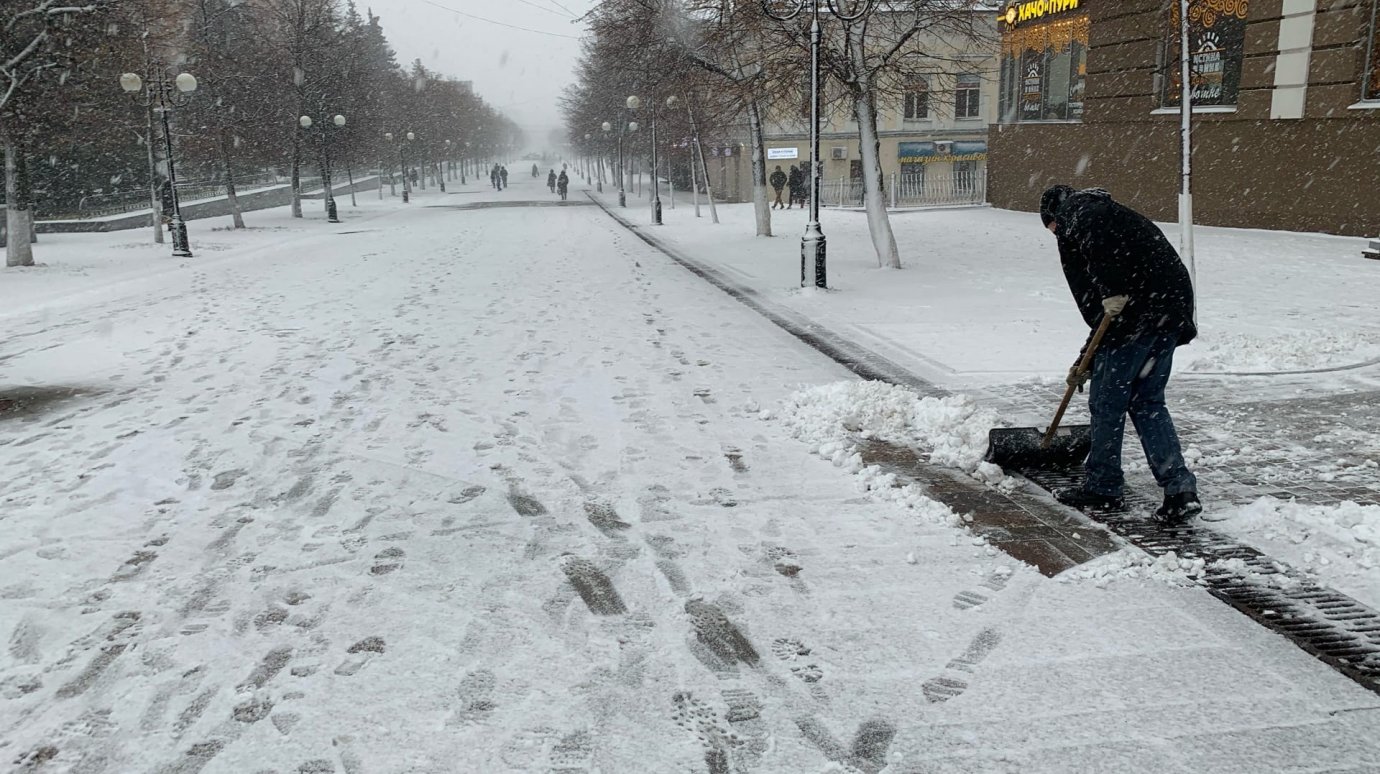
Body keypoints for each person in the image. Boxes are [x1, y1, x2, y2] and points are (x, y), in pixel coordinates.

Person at [1039, 185, 1201, 524]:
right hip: (1166, 313)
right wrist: (1085, 359)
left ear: (1054, 216)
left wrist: (1111, 291)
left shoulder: (1081, 214)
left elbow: (1108, 288)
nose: (1056, 236)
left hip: (1137, 317)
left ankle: (1104, 487)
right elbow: (1106, 309)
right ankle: (1179, 490)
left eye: (1051, 228)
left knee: (1107, 403)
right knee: (1147, 402)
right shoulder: (1114, 215)